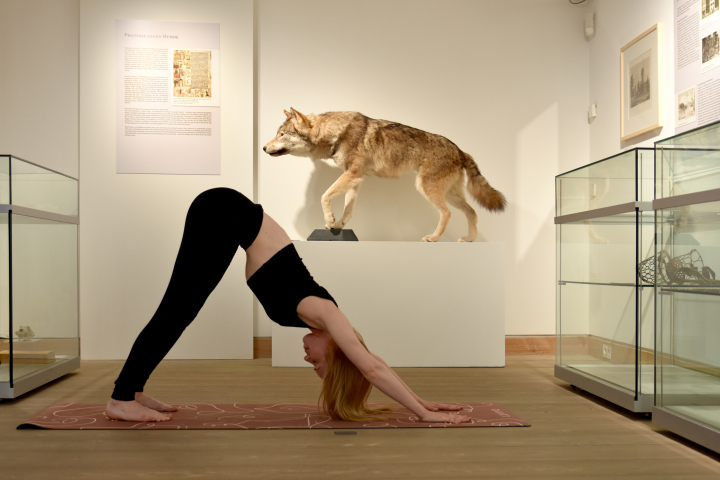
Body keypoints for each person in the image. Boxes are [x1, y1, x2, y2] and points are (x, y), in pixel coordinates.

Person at [105, 188, 471, 424]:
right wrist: (423, 413)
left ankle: (131, 391)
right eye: (319, 363)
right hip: (223, 213)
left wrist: (424, 400)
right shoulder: (326, 314)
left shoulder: (315, 319)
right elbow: (372, 367)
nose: (308, 360)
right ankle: (121, 399)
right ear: (339, 350)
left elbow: (374, 364)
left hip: (227, 216)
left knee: (178, 312)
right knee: (176, 312)